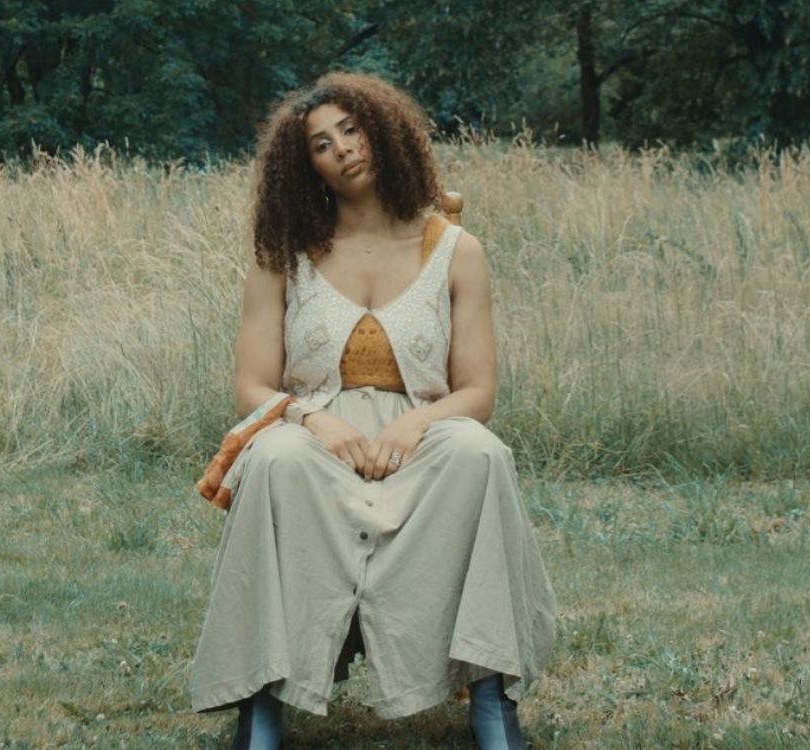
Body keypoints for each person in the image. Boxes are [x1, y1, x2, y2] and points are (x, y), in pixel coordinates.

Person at [190, 71, 556, 750]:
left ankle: (491, 698)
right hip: (313, 442)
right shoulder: (284, 255)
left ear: (383, 132)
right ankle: (261, 705)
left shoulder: (455, 250)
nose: (343, 149)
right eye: (322, 145)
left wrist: (414, 425)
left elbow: (476, 392)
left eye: (352, 130)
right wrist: (312, 420)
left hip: (419, 444)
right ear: (309, 170)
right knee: (271, 458)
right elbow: (252, 383)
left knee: (482, 453)